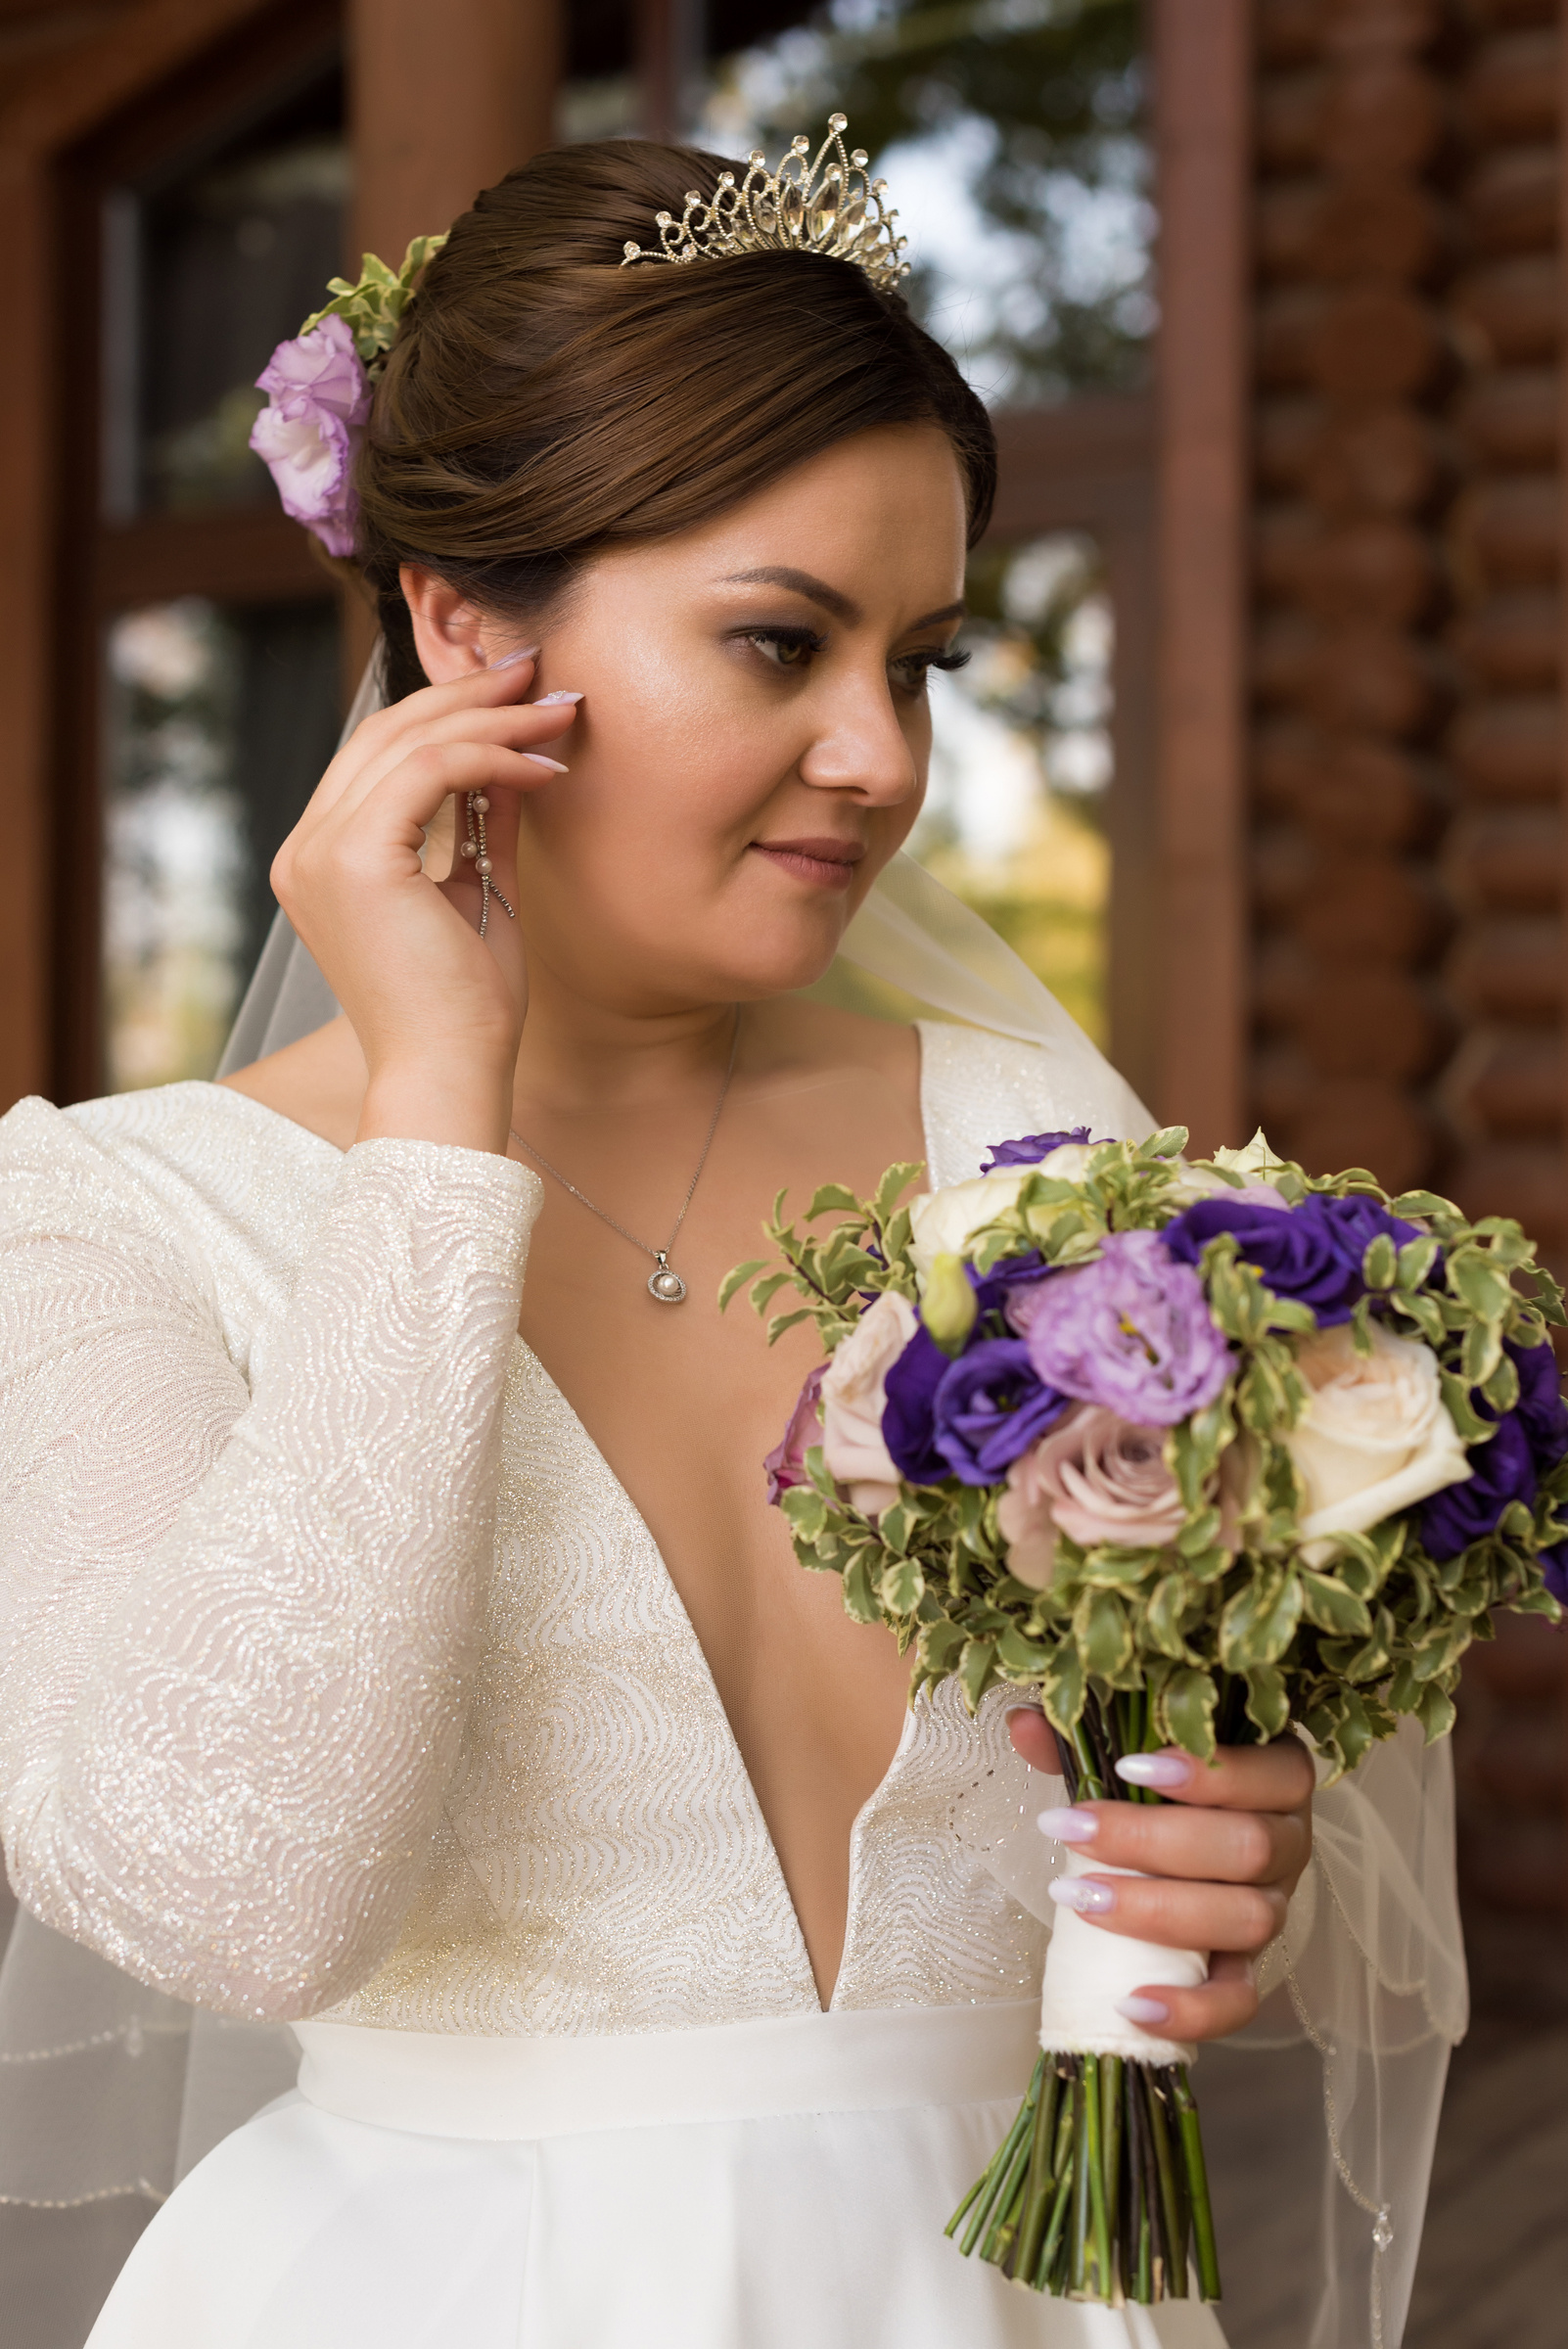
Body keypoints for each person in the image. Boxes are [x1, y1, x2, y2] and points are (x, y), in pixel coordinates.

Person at [0, 131, 1454, 2349]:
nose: (879, 757)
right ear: (464, 630)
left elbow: (1241, 1841)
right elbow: (242, 1897)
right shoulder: (111, 1221)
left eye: (926, 660)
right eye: (780, 641)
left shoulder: (1041, 1172)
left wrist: (1230, 1851)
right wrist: (432, 1129)